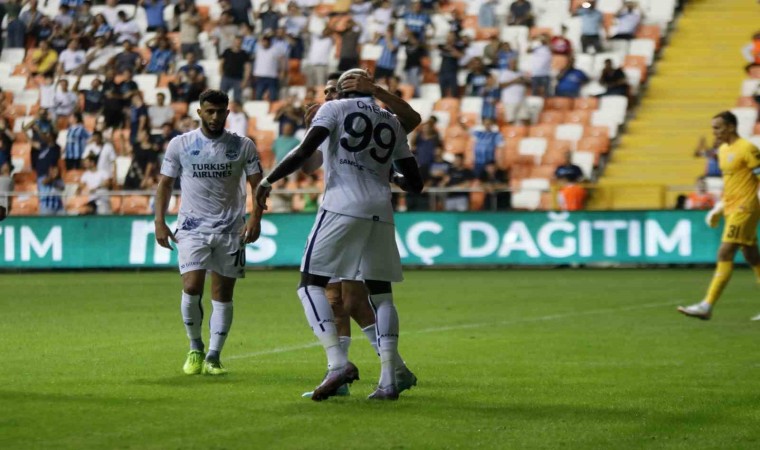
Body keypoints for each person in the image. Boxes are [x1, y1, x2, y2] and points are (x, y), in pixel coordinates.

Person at [255, 69, 424, 401]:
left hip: (341, 206)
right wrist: (389, 175)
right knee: (382, 296)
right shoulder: (390, 122)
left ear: (343, 90)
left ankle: (337, 364)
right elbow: (415, 184)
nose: (328, 95)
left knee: (310, 284)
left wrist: (267, 181)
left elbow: (302, 154)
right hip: (381, 210)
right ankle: (389, 379)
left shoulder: (333, 110)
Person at [154, 90, 263, 376]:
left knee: (222, 294)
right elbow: (165, 184)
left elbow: (258, 185)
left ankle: (214, 356)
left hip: (231, 229)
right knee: (191, 286)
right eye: (209, 111)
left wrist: (256, 217)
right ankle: (195, 347)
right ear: (199, 112)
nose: (215, 117)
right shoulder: (180, 144)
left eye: (220, 111)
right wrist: (159, 221)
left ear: (227, 113)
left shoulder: (243, 145)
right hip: (192, 228)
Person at [678, 111, 760, 321]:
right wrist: (719, 208)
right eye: (713, 128)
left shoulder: (747, 148)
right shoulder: (723, 150)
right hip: (731, 208)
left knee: (725, 252)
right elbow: (732, 184)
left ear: (731, 127)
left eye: (718, 127)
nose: (714, 132)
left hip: (745, 208)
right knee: (752, 255)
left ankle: (706, 305)